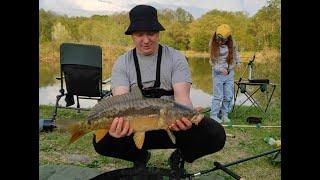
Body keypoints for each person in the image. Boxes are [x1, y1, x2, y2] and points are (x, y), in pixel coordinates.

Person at [92, 5, 226, 171]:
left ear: (158, 33)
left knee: (215, 134)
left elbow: (182, 99)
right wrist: (116, 128)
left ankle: (181, 155)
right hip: (134, 126)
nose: (146, 40)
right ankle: (139, 156)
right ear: (132, 36)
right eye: (140, 34)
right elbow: (121, 103)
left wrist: (187, 115)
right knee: (101, 142)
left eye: (151, 33)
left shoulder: (176, 58)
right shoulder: (122, 63)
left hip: (170, 125)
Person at [209, 24, 241, 123]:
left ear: (227, 38)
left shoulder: (232, 42)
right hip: (218, 74)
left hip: (229, 73)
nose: (220, 42)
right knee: (218, 96)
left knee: (228, 95)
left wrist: (238, 62)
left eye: (222, 40)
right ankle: (213, 115)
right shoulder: (212, 43)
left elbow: (236, 53)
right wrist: (220, 69)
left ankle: (224, 114)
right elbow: (212, 61)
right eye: (218, 39)